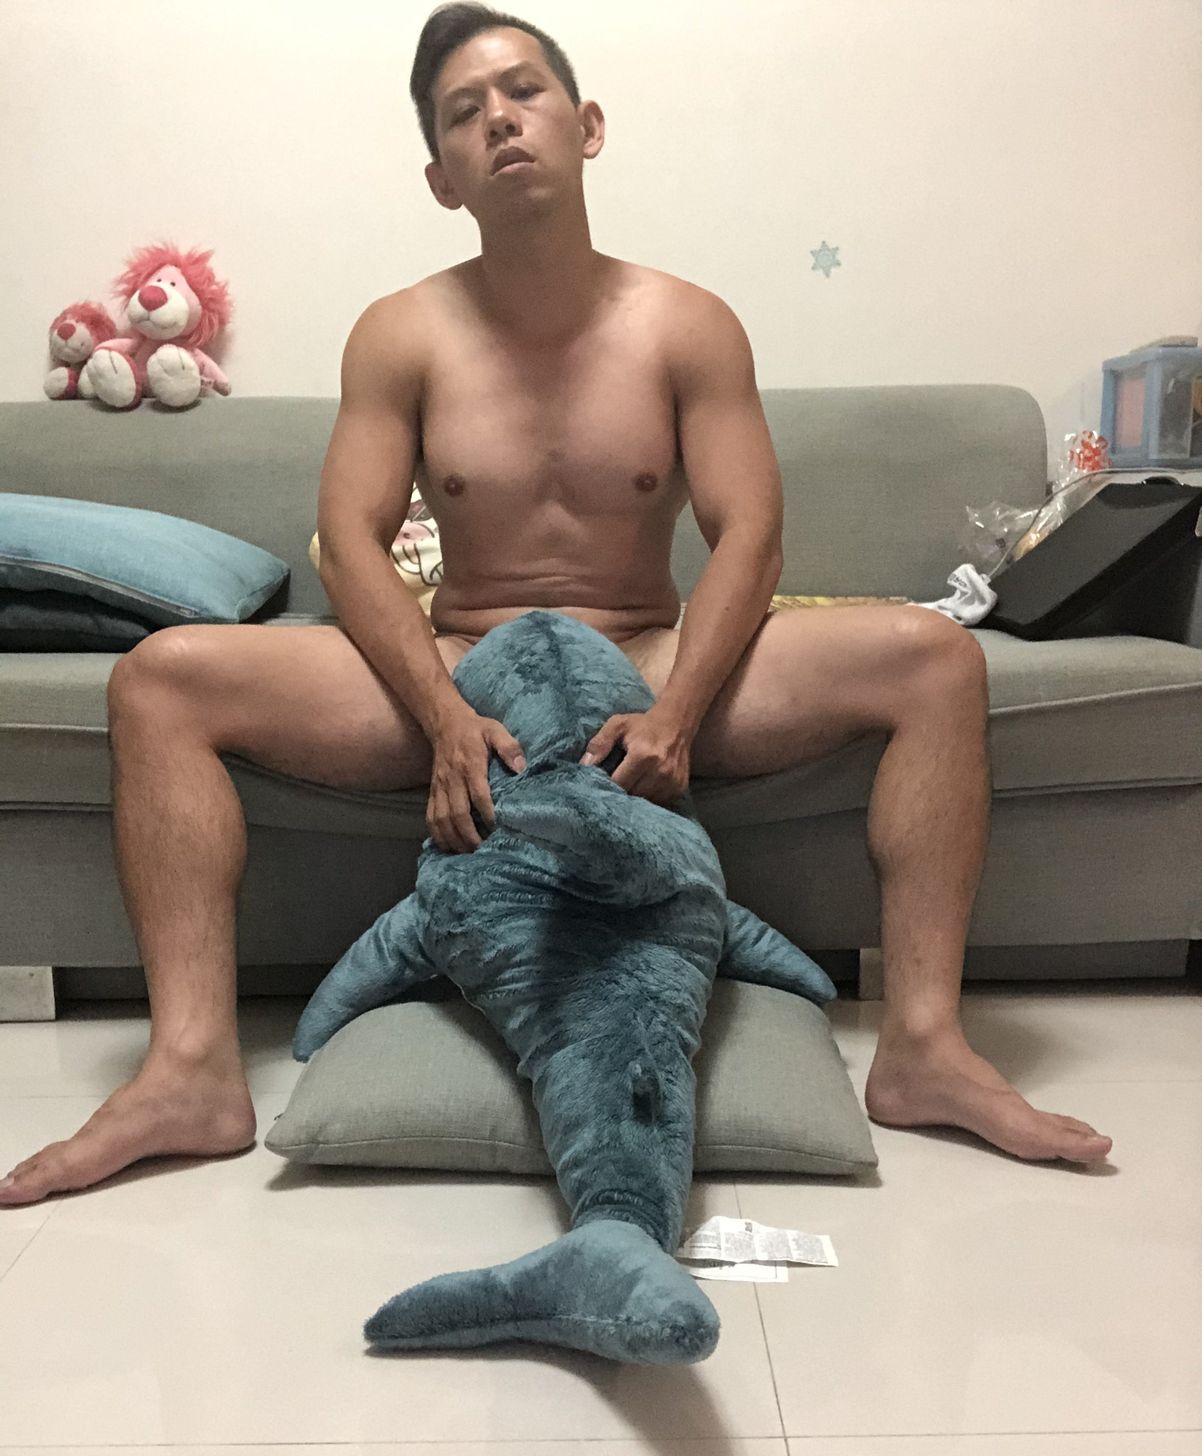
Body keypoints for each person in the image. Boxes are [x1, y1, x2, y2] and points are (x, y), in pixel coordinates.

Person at [0, 5, 1111, 1210]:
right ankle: (188, 1069)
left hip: (647, 653)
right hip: (463, 664)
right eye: (463, 113)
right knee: (159, 678)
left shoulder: (686, 323)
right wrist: (441, 717)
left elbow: (749, 534)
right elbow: (352, 544)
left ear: (586, 126)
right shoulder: (399, 333)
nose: (498, 120)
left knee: (933, 658)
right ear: (440, 177)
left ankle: (925, 1046)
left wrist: (677, 714)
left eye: (522, 92)